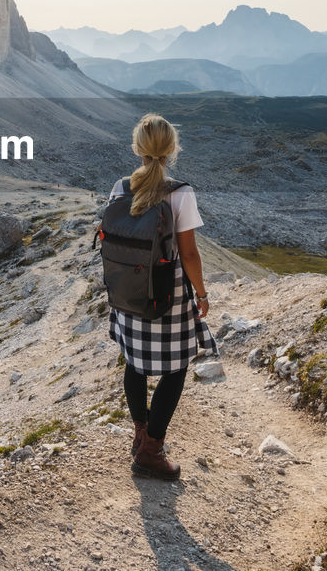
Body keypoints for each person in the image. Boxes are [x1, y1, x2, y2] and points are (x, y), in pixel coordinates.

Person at [106, 113, 215, 480]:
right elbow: (189, 255)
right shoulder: (180, 193)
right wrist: (201, 293)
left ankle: (140, 435)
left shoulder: (119, 188)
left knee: (134, 363)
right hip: (168, 298)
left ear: (138, 148)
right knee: (176, 367)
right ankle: (151, 449)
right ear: (171, 150)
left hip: (127, 293)